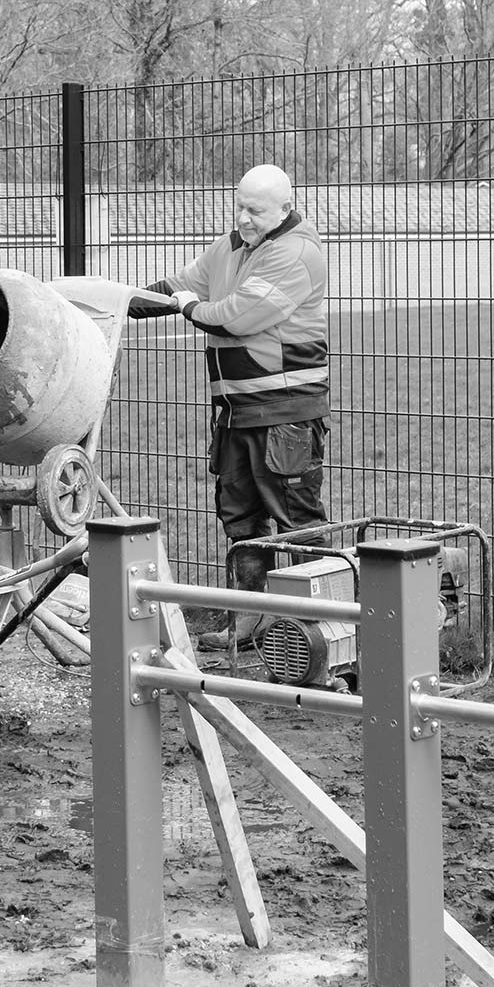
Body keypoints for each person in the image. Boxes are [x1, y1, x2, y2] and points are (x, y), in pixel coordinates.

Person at [129, 163, 329, 650]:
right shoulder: (230, 248)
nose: (243, 218)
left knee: (297, 523)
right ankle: (249, 623)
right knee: (239, 517)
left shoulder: (296, 253)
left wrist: (184, 307)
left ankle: (317, 633)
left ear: (285, 207)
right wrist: (119, 301)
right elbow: (181, 284)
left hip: (285, 413)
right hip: (238, 412)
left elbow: (233, 318)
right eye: (239, 206)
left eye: (255, 211)